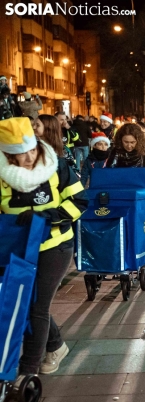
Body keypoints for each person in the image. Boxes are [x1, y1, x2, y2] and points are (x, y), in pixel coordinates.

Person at [0, 117, 87, 377]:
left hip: (55, 245)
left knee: (37, 305)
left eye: (31, 150)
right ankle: (56, 345)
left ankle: (28, 371)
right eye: (18, 155)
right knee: (21, 302)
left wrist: (50, 216)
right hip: (15, 247)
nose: (27, 158)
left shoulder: (57, 166)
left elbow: (80, 202)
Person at [106, 123, 145, 192]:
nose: (129, 145)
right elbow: (110, 168)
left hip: (143, 187)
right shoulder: (117, 149)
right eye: (126, 142)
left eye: (132, 142)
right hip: (123, 187)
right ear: (120, 140)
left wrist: (135, 177)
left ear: (138, 141)